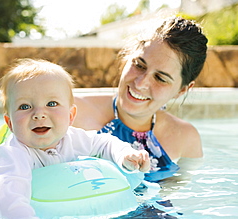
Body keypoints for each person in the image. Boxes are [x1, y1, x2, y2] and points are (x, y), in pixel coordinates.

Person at [0, 58, 150, 219]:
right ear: (10, 123)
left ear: (71, 116)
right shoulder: (12, 153)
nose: (39, 114)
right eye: (24, 106)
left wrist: (125, 155)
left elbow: (104, 143)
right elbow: (8, 194)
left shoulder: (74, 138)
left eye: (51, 103)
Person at [73, 16, 208, 184]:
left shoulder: (186, 138)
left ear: (181, 90)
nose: (141, 83)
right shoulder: (72, 112)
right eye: (139, 65)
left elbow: (180, 197)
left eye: (160, 78)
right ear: (127, 59)